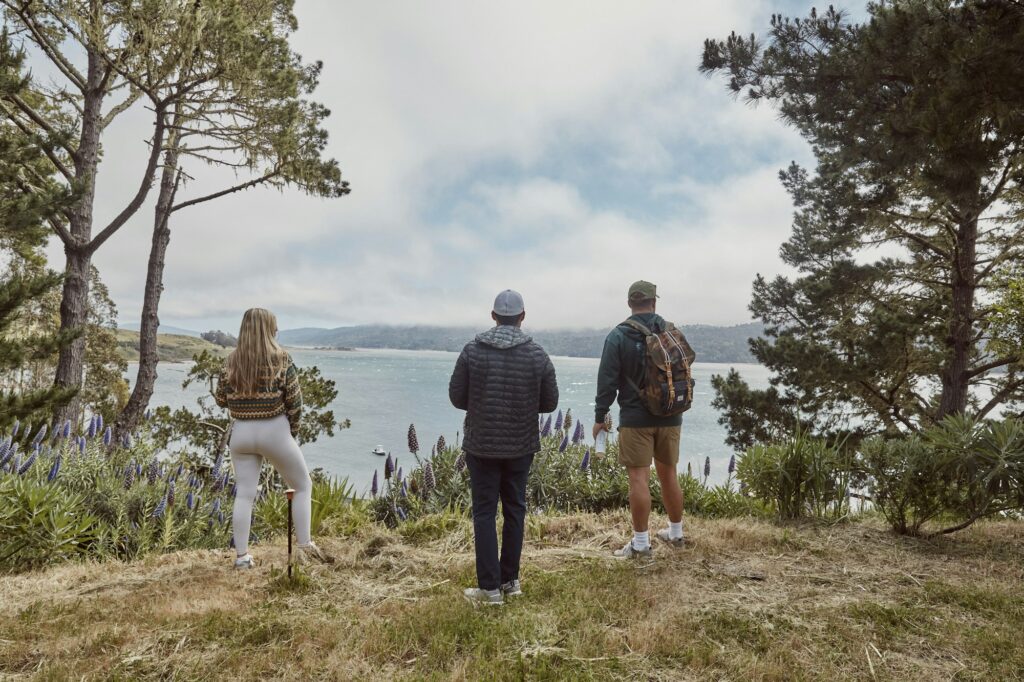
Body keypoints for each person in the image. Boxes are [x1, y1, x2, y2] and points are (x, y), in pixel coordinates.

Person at [449, 289, 559, 605]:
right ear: (522, 317)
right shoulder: (537, 355)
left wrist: (482, 402)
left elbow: (457, 397)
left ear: (493, 316)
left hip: (481, 444)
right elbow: (550, 403)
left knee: (484, 512)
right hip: (521, 445)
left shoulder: (472, 350)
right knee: (515, 510)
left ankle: (489, 588)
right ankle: (510, 580)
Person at [214, 307, 332, 569]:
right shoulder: (282, 359)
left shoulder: (231, 361)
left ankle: (242, 558)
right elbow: (295, 402)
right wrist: (293, 433)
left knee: (244, 495)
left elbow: (221, 399)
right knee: (302, 486)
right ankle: (304, 547)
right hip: (274, 430)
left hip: (241, 432)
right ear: (269, 329)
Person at [593, 281, 693, 559]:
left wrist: (600, 416)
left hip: (636, 419)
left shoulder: (618, 336)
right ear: (654, 302)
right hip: (671, 415)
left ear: (629, 304)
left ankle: (640, 544)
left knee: (638, 478)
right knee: (668, 474)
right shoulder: (671, 332)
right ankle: (675, 533)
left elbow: (607, 381)